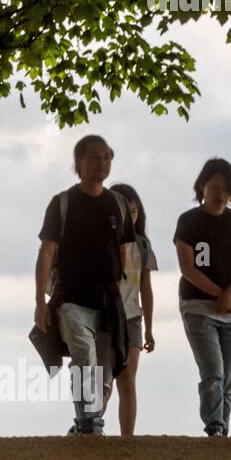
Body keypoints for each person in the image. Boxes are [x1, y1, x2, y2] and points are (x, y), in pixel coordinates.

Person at [34, 135, 136, 435]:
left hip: (108, 301)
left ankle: (83, 426)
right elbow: (46, 252)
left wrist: (123, 296)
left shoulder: (117, 204)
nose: (100, 163)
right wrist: (40, 301)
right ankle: (90, 423)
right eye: (93, 156)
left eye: (106, 157)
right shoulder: (62, 203)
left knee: (105, 373)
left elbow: (126, 254)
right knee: (83, 357)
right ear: (78, 163)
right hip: (71, 297)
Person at [173, 158, 231, 437]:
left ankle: (222, 435)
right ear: (202, 187)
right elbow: (187, 268)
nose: (220, 193)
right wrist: (219, 295)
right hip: (198, 307)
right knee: (213, 372)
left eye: (226, 188)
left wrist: (230, 294)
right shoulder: (189, 221)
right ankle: (215, 427)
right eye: (214, 186)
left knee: (229, 379)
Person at [106, 182, 157, 435]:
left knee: (127, 381)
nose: (131, 215)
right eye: (125, 210)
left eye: (135, 211)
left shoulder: (142, 246)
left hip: (132, 318)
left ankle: (127, 437)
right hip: (104, 317)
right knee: (103, 380)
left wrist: (149, 328)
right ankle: (90, 431)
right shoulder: (100, 239)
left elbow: (145, 288)